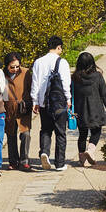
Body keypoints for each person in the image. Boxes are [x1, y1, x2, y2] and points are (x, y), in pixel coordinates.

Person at [30, 36, 71, 172]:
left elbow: (35, 83)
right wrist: (68, 98)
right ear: (58, 47)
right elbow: (65, 83)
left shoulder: (38, 62)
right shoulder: (62, 62)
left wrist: (35, 101)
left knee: (46, 129)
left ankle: (44, 152)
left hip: (43, 103)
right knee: (60, 133)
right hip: (59, 103)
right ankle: (59, 163)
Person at [70, 52, 106, 168]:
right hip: (96, 111)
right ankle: (90, 149)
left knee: (82, 135)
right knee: (96, 132)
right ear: (92, 63)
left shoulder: (74, 78)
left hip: (80, 111)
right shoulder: (98, 76)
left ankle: (81, 159)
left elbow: (70, 94)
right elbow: (104, 94)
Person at [2, 53, 33, 172]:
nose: (15, 69)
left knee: (26, 134)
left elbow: (31, 89)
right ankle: (13, 161)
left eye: (17, 66)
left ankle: (24, 161)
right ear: (7, 66)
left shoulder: (25, 72)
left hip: (23, 108)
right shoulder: (1, 75)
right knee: (11, 135)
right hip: (9, 109)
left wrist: (32, 103)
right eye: (12, 67)